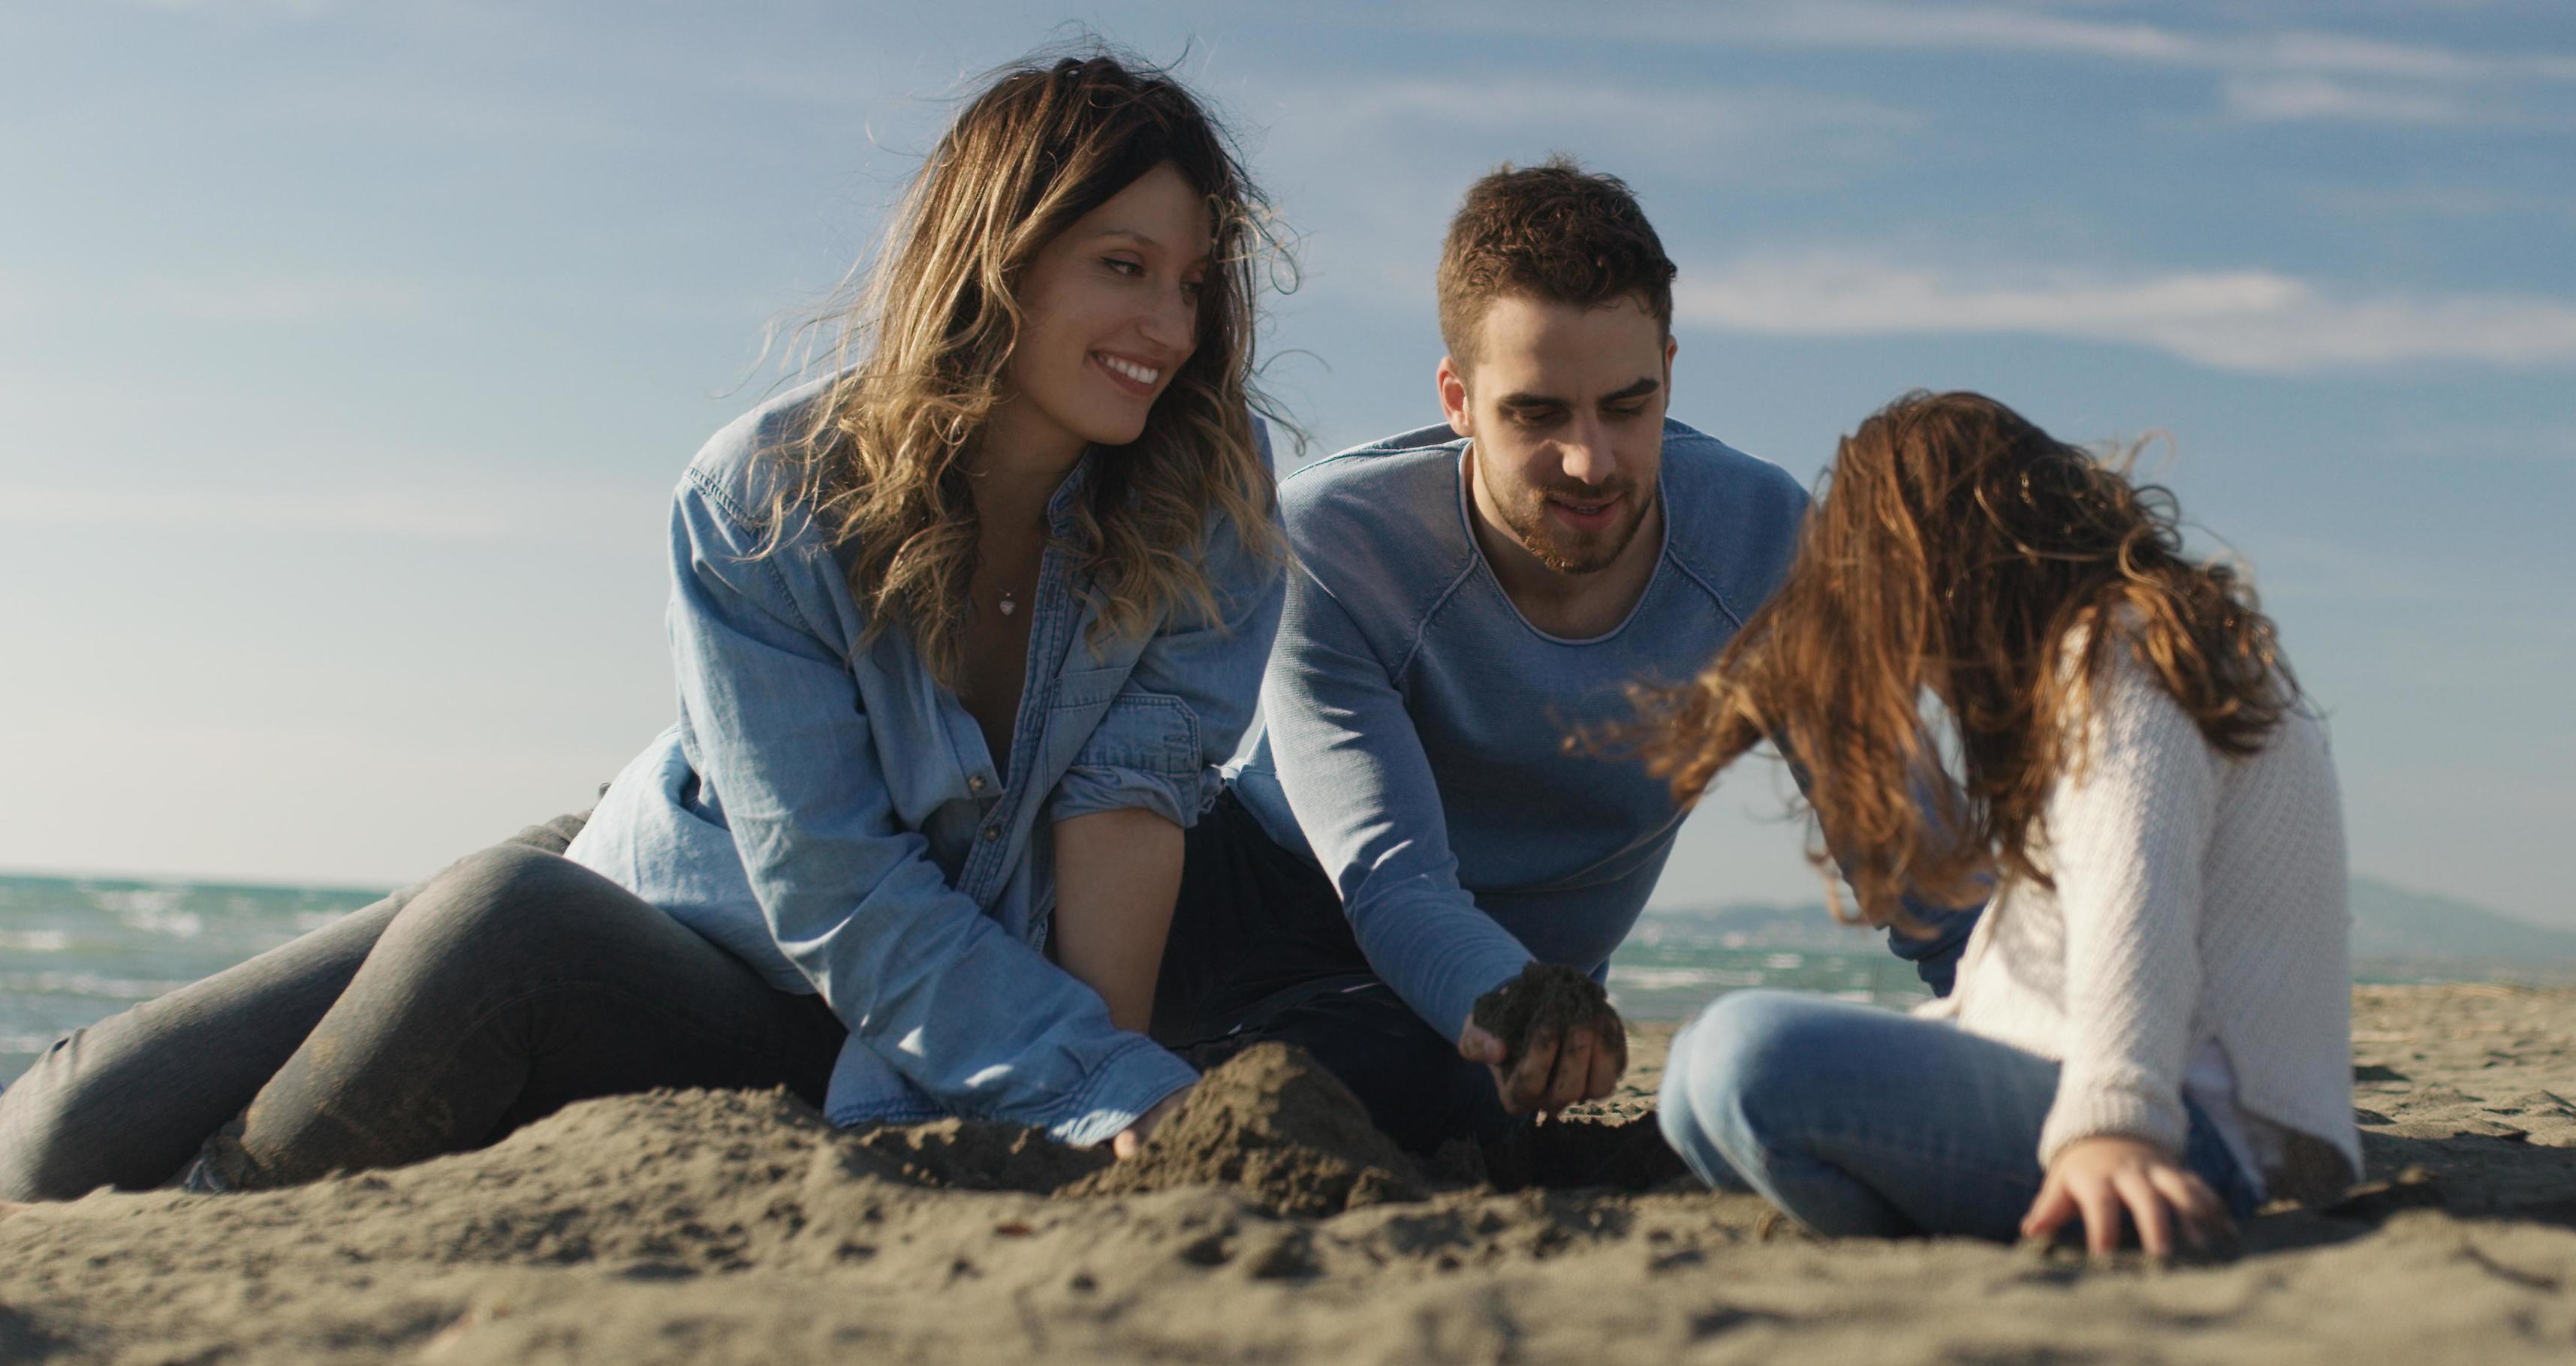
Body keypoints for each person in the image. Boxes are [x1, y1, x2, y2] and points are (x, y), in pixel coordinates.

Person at [0, 51, 1283, 1199]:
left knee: (507, 924)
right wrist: (1094, 1079)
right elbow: (826, 870)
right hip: (676, 851)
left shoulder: (1206, 506)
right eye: (1123, 269)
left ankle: (225, 1210)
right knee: (59, 1132)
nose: (1171, 331)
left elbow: (1124, 809)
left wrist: (1102, 1088)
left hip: (774, 978)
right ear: (996, 258)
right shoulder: (764, 493)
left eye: (1190, 283)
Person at [1142, 161, 1972, 1154]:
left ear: (1670, 369)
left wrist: (2031, 1027)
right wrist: (1523, 1003)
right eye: (1537, 415)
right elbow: (1392, 878)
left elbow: (1910, 852)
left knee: (1424, 1084)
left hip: (1482, 991)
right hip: (1267, 896)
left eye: (1628, 406)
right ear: (1458, 399)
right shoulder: (1339, 541)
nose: (1591, 463)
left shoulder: (1762, 544)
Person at [1638, 392, 2359, 1254]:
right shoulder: (2093, 658)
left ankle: (1958, 1233)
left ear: (1950, 570)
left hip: (2190, 1135)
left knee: (1738, 1052)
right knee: (1689, 1088)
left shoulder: (2122, 649)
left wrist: (2115, 1122)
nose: (1918, 665)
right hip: (2115, 1093)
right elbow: (2021, 987)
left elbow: (2135, 895)